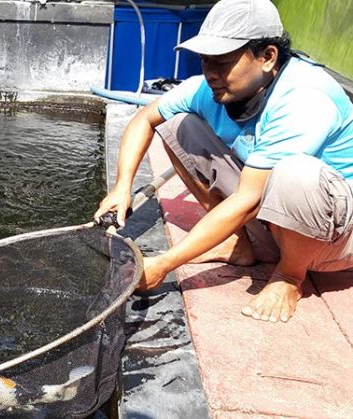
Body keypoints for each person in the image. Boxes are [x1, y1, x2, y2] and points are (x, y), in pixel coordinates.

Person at [94, 0, 353, 323]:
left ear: (268, 56)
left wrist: (164, 263)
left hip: (334, 238)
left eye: (223, 62)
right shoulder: (211, 89)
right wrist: (123, 187)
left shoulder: (304, 97)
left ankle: (290, 275)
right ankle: (240, 243)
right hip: (274, 215)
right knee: (178, 125)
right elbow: (145, 118)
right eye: (205, 61)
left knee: (295, 173)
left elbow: (247, 200)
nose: (211, 74)